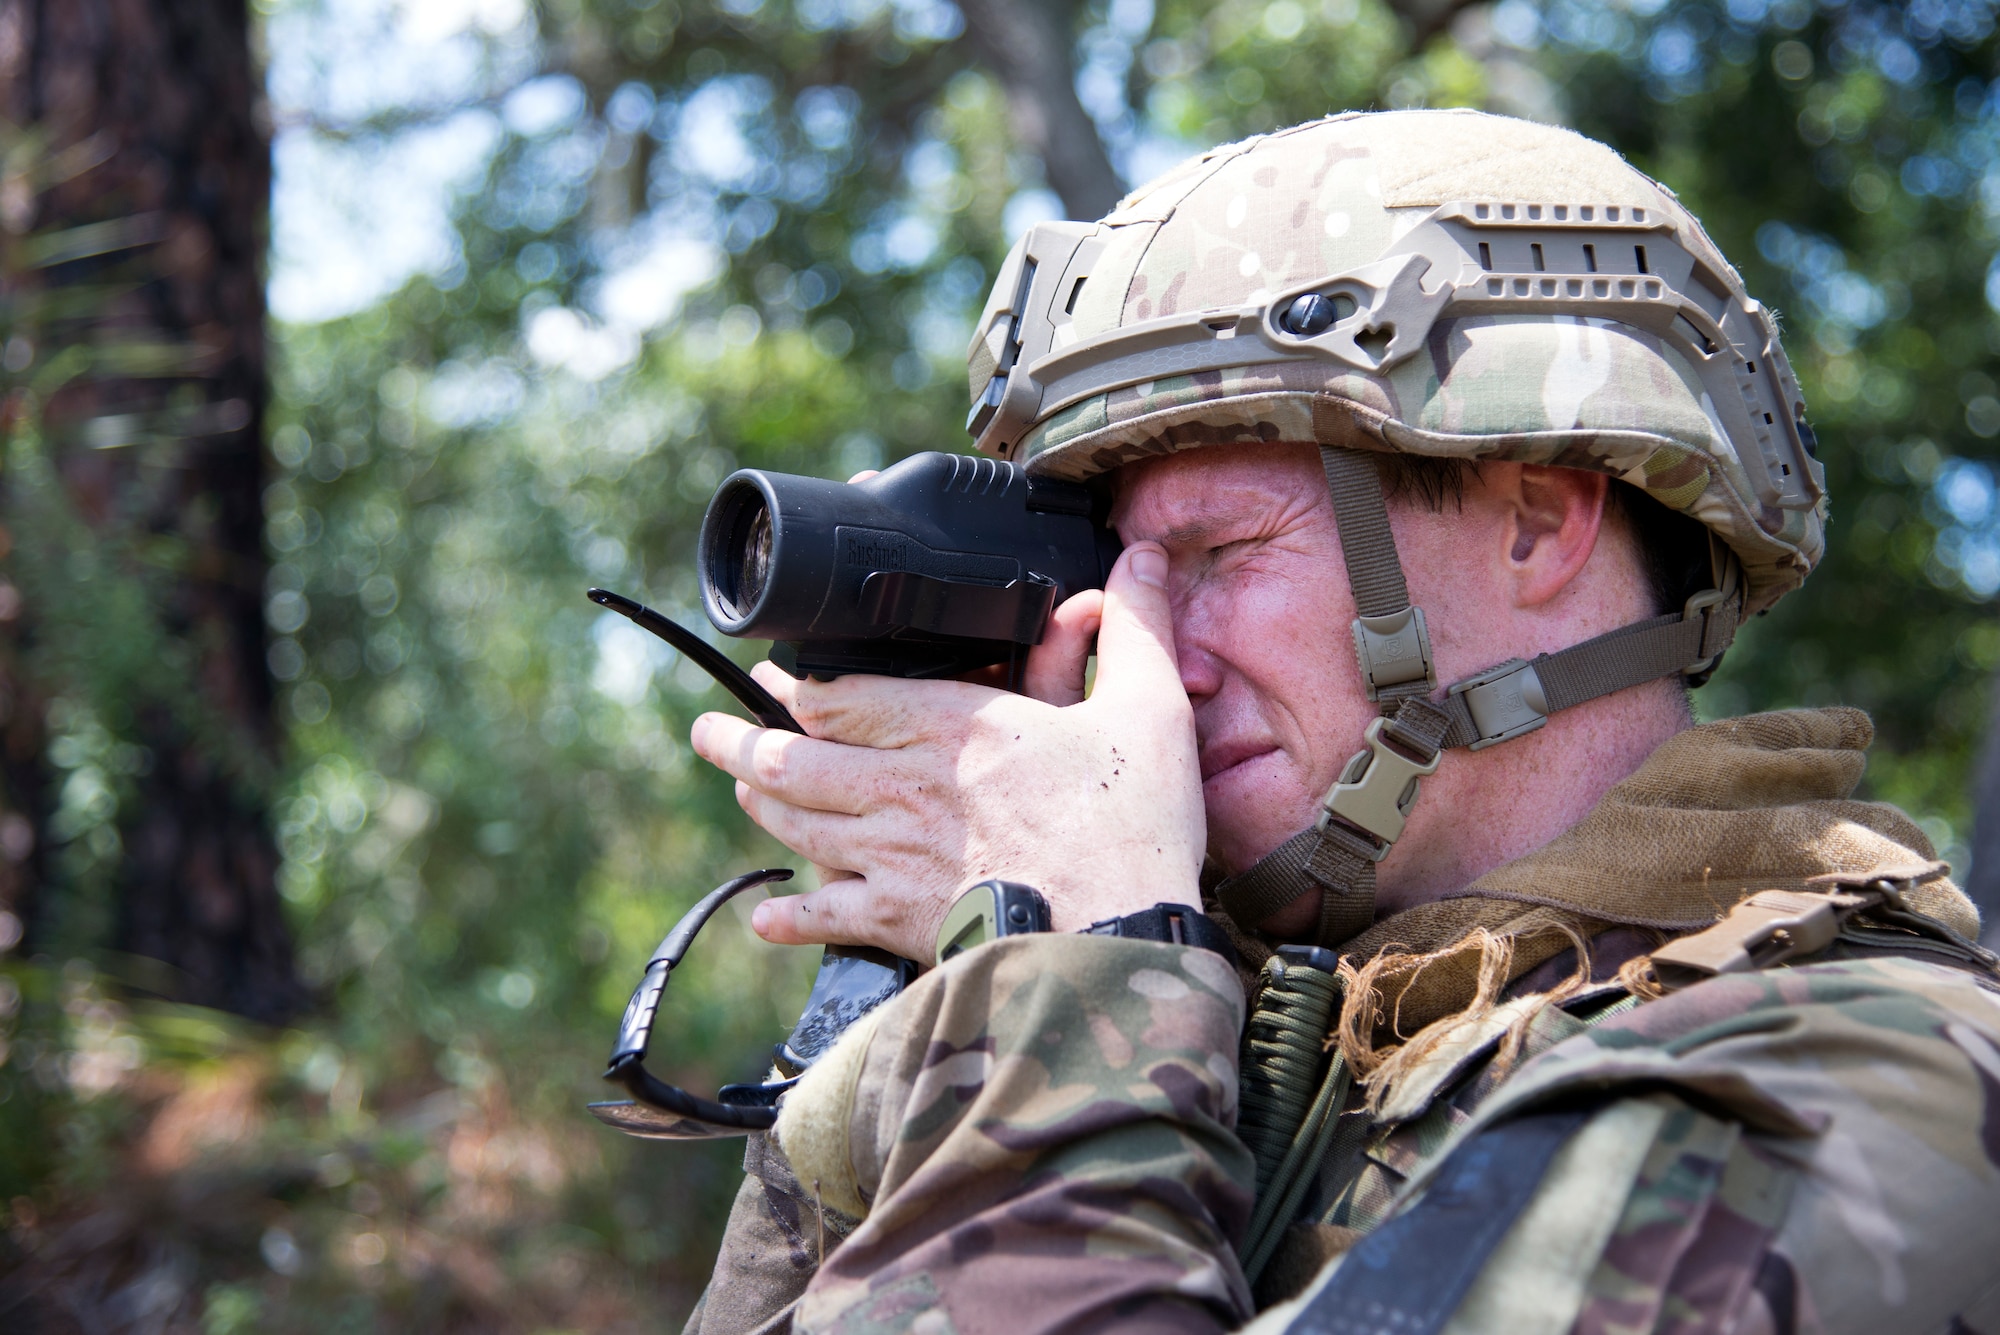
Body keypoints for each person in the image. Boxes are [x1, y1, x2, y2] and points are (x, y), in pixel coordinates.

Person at [679, 110, 2000, 1335]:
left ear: (1536, 521)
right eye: (1116, 580)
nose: (1150, 664)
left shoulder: (1843, 1088)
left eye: (1215, 557)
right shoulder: (1242, 1045)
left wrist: (1078, 988)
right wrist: (920, 1011)